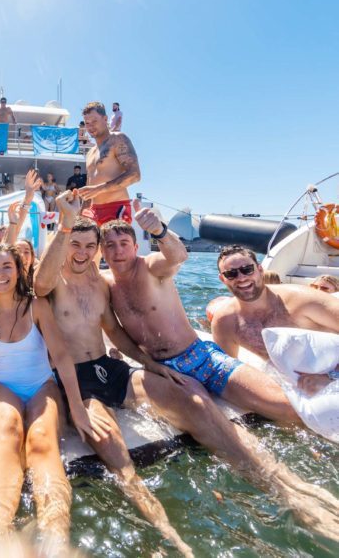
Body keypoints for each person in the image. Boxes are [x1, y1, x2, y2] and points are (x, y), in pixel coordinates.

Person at [35, 191, 339, 545]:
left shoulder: (123, 276)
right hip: (87, 374)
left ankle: (279, 479)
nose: (86, 252)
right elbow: (42, 284)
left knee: (234, 407)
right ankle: (243, 492)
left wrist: (150, 365)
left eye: (93, 245)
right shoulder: (72, 282)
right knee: (152, 434)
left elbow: (125, 320)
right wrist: (66, 223)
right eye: (78, 244)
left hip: (162, 361)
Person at [0, 244, 108, 545]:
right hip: (3, 388)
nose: (1, 274)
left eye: (7, 267)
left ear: (18, 270)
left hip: (42, 386)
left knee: (41, 439)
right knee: (6, 428)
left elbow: (61, 356)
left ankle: (56, 535)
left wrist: (76, 407)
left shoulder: (37, 306)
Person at [102, 209, 301, 423]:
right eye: (110, 245)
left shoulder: (150, 266)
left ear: (135, 247)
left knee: (288, 407)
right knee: (210, 424)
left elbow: (178, 256)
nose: (118, 251)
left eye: (123, 243)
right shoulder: (104, 284)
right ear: (102, 251)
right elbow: (114, 330)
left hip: (201, 358)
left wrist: (159, 231)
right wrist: (146, 363)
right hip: (161, 371)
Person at [213, 245, 339, 359]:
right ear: (222, 279)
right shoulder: (225, 321)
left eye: (247, 269)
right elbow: (224, 372)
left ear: (260, 269)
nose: (241, 278)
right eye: (231, 274)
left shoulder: (303, 300)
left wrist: (331, 376)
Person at [77, 101, 140, 226]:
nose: (90, 126)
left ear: (105, 119)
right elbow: (90, 188)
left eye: (94, 121)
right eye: (87, 123)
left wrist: (100, 189)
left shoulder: (117, 139)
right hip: (92, 212)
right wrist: (81, 215)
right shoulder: (90, 153)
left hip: (115, 208)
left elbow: (135, 175)